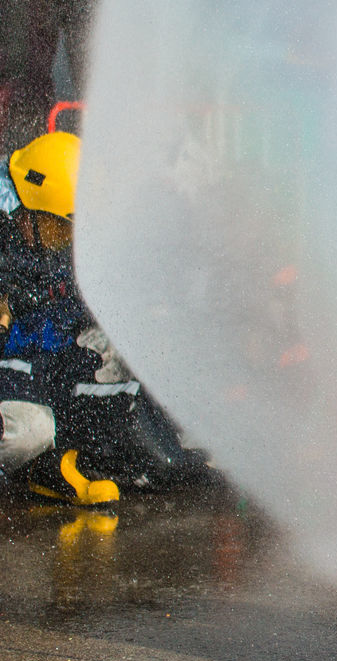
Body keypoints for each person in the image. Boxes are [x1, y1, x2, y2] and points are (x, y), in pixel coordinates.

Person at [0, 130, 209, 505]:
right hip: (13, 378)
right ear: (26, 210)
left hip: (43, 371)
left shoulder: (59, 250)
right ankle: (40, 456)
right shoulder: (6, 248)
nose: (64, 239)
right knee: (26, 430)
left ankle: (53, 464)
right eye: (55, 227)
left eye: (70, 229)